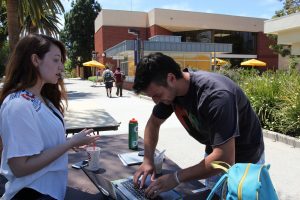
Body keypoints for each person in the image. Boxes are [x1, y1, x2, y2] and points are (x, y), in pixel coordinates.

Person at [132, 52, 265, 198]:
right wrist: (147, 160)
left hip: (245, 159)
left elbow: (225, 159)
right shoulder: (172, 93)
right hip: (215, 152)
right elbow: (153, 124)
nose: (156, 101)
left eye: (157, 95)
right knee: (213, 195)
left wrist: (176, 177)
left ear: (171, 78)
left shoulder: (216, 96)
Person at [0, 34, 100, 200]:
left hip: (52, 191)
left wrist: (69, 143)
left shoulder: (43, 99)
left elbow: (41, 146)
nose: (61, 67)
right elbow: (19, 167)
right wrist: (70, 143)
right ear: (35, 60)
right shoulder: (18, 105)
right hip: (33, 194)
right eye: (56, 60)